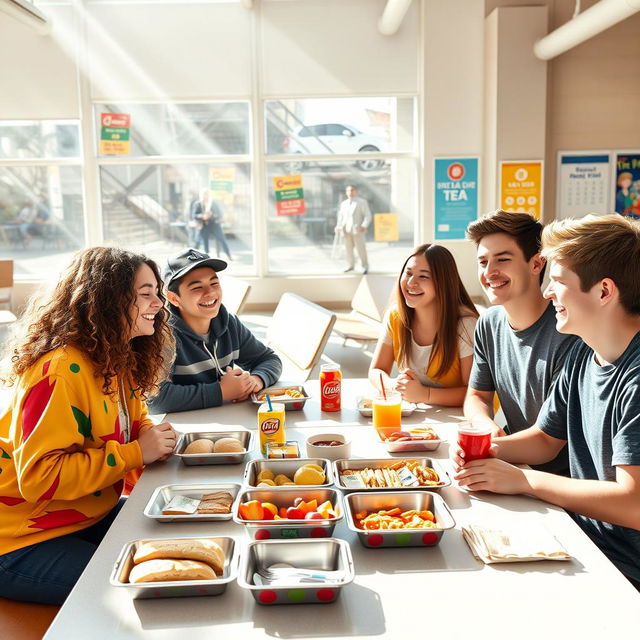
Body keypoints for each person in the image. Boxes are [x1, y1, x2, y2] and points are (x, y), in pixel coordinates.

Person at [454, 214, 640, 591]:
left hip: (624, 567)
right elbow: (544, 440)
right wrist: (487, 448)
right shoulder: (583, 356)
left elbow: (633, 503)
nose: (547, 292)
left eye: (557, 282)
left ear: (604, 291)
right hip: (582, 536)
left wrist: (523, 480)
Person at [0, 247, 177, 605]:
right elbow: (39, 478)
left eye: (157, 292)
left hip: (81, 518)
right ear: (108, 301)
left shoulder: (113, 354)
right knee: (146, 587)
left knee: (172, 543)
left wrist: (148, 438)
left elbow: (133, 422)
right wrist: (136, 452)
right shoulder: (61, 370)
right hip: (18, 542)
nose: (159, 302)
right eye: (146, 294)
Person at [464, 210, 578, 474]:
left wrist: (485, 447)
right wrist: (485, 428)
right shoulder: (489, 323)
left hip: (559, 484)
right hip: (511, 463)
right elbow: (477, 396)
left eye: (502, 260)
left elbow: (548, 444)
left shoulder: (568, 332)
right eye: (483, 262)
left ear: (537, 264)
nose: (489, 272)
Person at [148, 248, 282, 413]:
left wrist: (256, 380)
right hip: (186, 426)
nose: (210, 292)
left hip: (227, 417)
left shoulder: (229, 323)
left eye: (214, 283)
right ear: (174, 298)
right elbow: (154, 399)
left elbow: (268, 359)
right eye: (197, 287)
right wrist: (221, 391)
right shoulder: (163, 336)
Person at [369, 244, 478, 406]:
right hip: (418, 415)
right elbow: (376, 370)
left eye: (423, 276)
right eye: (408, 273)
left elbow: (475, 393)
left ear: (443, 283)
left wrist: (425, 395)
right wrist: (394, 386)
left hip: (458, 418)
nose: (411, 282)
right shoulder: (395, 316)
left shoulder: (465, 325)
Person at [335, 185, 371, 274]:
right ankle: (350, 266)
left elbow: (368, 215)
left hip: (358, 230)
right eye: (348, 191)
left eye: (352, 190)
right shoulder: (344, 203)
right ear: (346, 192)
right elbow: (341, 217)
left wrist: (364, 225)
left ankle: (364, 266)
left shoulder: (361, 202)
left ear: (355, 191)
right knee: (348, 250)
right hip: (346, 230)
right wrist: (338, 226)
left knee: (361, 249)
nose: (350, 192)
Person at [190, 187, 215, 253]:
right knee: (197, 242)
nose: (206, 196)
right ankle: (194, 256)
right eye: (204, 194)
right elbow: (194, 215)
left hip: (207, 225)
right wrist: (202, 216)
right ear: (201, 195)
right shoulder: (197, 203)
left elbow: (214, 214)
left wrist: (210, 215)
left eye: (207, 194)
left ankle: (207, 257)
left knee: (206, 241)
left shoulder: (210, 204)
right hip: (199, 225)